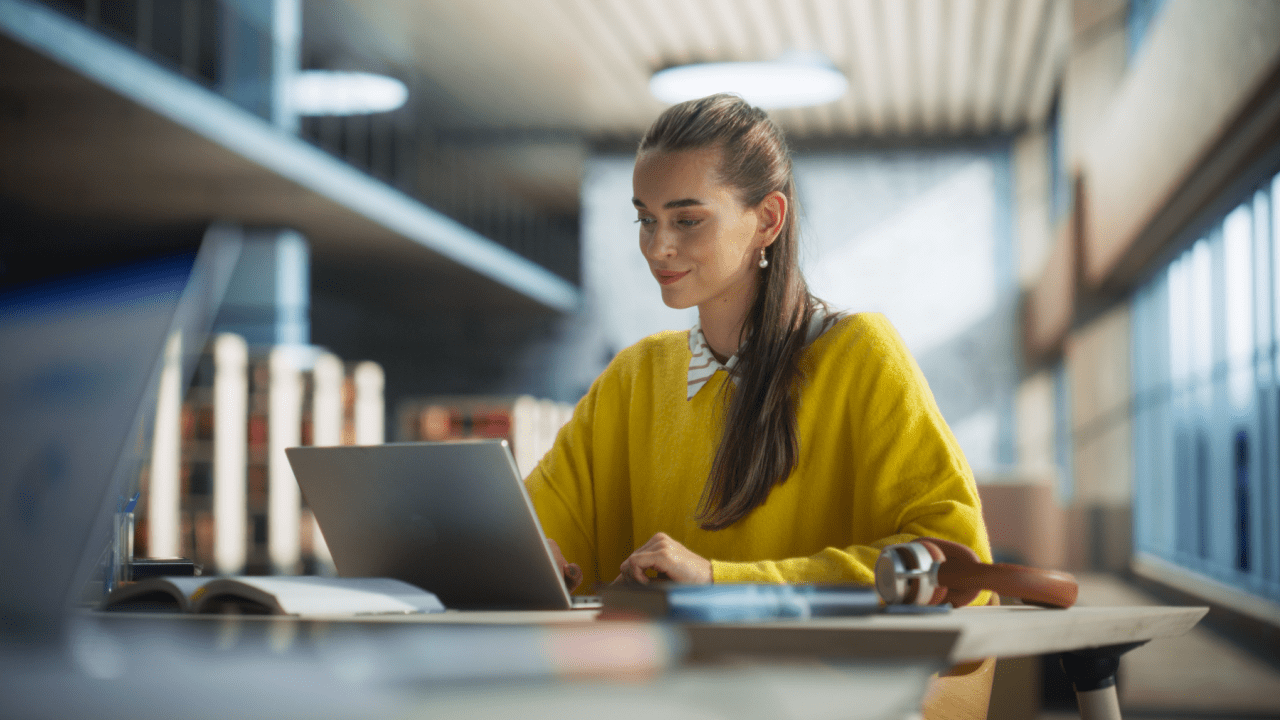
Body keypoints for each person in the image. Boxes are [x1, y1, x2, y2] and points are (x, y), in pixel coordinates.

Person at [525, 93, 991, 598]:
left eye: (687, 220)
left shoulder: (861, 353)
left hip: (814, 676)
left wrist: (719, 581)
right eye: (646, 219)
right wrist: (532, 555)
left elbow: (960, 565)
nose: (658, 247)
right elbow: (536, 528)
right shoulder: (633, 377)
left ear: (768, 219)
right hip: (664, 676)